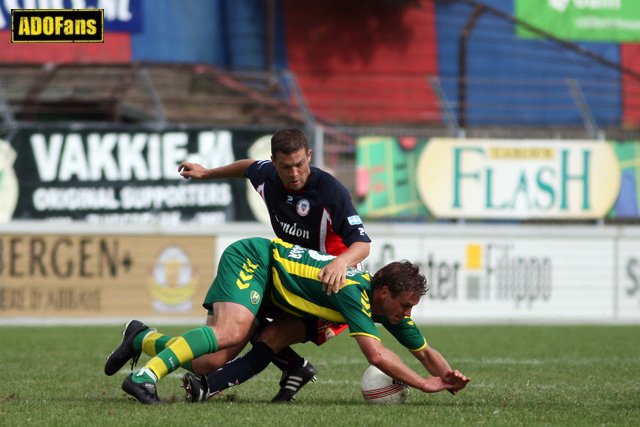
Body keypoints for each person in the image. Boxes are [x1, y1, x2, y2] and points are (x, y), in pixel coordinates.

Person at [118, 238, 469, 404]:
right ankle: (144, 377)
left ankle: (141, 338)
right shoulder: (352, 292)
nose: (407, 315)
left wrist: (446, 376)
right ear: (384, 293)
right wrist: (425, 385)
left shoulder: (389, 308)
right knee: (228, 332)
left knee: (208, 361)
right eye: (406, 306)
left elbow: (425, 352)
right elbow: (376, 356)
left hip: (278, 291)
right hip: (255, 260)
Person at [176, 128, 372, 401]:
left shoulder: (331, 192)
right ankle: (295, 368)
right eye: (286, 166)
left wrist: (340, 263)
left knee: (273, 336)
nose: (294, 173)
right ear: (274, 162)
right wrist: (207, 173)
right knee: (213, 356)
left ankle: (207, 387)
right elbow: (248, 167)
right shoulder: (268, 176)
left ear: (309, 156)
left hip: (329, 288)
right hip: (287, 276)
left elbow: (362, 245)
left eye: (300, 164)